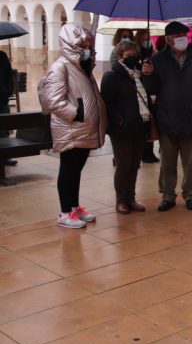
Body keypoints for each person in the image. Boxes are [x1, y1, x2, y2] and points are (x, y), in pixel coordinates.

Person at [39, 25, 107, 228]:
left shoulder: (83, 67)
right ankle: (64, 212)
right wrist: (77, 113)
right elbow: (53, 100)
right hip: (71, 129)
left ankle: (74, 207)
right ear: (71, 45)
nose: (87, 48)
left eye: (89, 45)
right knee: (68, 170)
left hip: (83, 129)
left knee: (76, 170)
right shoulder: (61, 66)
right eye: (83, 45)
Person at [141, 21, 192, 212]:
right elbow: (151, 89)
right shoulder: (157, 61)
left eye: (183, 35)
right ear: (168, 39)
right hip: (167, 117)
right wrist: (147, 75)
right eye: (176, 36)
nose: (181, 39)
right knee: (167, 161)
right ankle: (167, 195)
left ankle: (190, 194)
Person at [100, 40, 149, 214]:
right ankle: (121, 200)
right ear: (120, 57)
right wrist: (119, 120)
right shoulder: (111, 76)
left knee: (135, 164)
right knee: (124, 165)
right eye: (128, 56)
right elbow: (107, 101)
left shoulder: (137, 74)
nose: (132, 58)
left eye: (135, 55)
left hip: (139, 125)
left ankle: (131, 198)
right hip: (122, 128)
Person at [133, 29, 159, 164]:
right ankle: (143, 151)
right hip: (139, 90)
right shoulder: (135, 52)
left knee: (151, 121)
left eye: (148, 35)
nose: (147, 38)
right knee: (143, 121)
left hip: (150, 92)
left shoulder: (153, 53)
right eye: (144, 35)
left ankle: (149, 151)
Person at [0, 49, 16, 166]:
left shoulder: (2, 56)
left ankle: (5, 157)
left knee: (4, 130)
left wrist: (7, 91)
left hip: (2, 99)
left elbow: (9, 75)